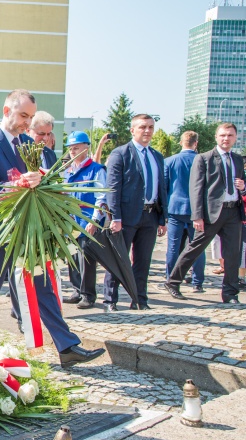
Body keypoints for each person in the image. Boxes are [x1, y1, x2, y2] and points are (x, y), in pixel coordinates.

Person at [0, 89, 104, 368]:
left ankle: (67, 346)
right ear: (7, 111)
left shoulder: (24, 143)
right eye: (23, 116)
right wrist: (19, 183)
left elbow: (34, 179)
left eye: (30, 117)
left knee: (43, 287)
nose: (27, 122)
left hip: (25, 232)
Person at [164, 123, 245, 304]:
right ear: (216, 137)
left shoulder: (238, 159)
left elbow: (243, 186)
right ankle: (173, 281)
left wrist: (244, 187)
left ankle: (230, 293)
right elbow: (196, 189)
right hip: (210, 213)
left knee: (233, 254)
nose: (226, 138)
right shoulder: (204, 158)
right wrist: (197, 216)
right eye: (223, 135)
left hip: (233, 212)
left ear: (235, 138)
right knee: (195, 248)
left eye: (230, 135)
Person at [103, 114, 167, 312]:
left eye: (150, 127)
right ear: (133, 130)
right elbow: (112, 188)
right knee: (118, 259)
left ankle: (139, 299)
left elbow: (161, 188)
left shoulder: (157, 156)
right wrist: (116, 217)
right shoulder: (120, 154)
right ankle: (110, 300)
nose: (147, 131)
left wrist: (163, 218)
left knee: (143, 261)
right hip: (125, 217)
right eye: (142, 127)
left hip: (150, 215)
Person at [62, 132, 106, 309]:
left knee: (86, 259)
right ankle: (76, 290)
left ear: (86, 148)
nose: (73, 152)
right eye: (71, 149)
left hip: (88, 218)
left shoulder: (96, 170)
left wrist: (95, 220)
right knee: (72, 257)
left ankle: (88, 294)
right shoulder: (68, 170)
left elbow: (102, 196)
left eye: (76, 148)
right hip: (71, 220)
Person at [163, 131, 205, 293]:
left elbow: (164, 186)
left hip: (175, 208)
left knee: (173, 247)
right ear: (196, 143)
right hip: (197, 210)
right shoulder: (202, 160)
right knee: (197, 247)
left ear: (181, 142)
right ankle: (197, 282)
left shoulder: (170, 161)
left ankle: (171, 279)